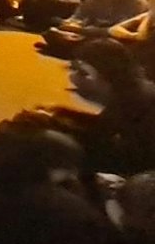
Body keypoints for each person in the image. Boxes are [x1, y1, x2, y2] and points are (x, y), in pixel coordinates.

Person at [66, 37, 155, 177]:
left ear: (108, 75)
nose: (72, 77)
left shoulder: (132, 102)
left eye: (83, 73)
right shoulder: (130, 91)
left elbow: (108, 148)